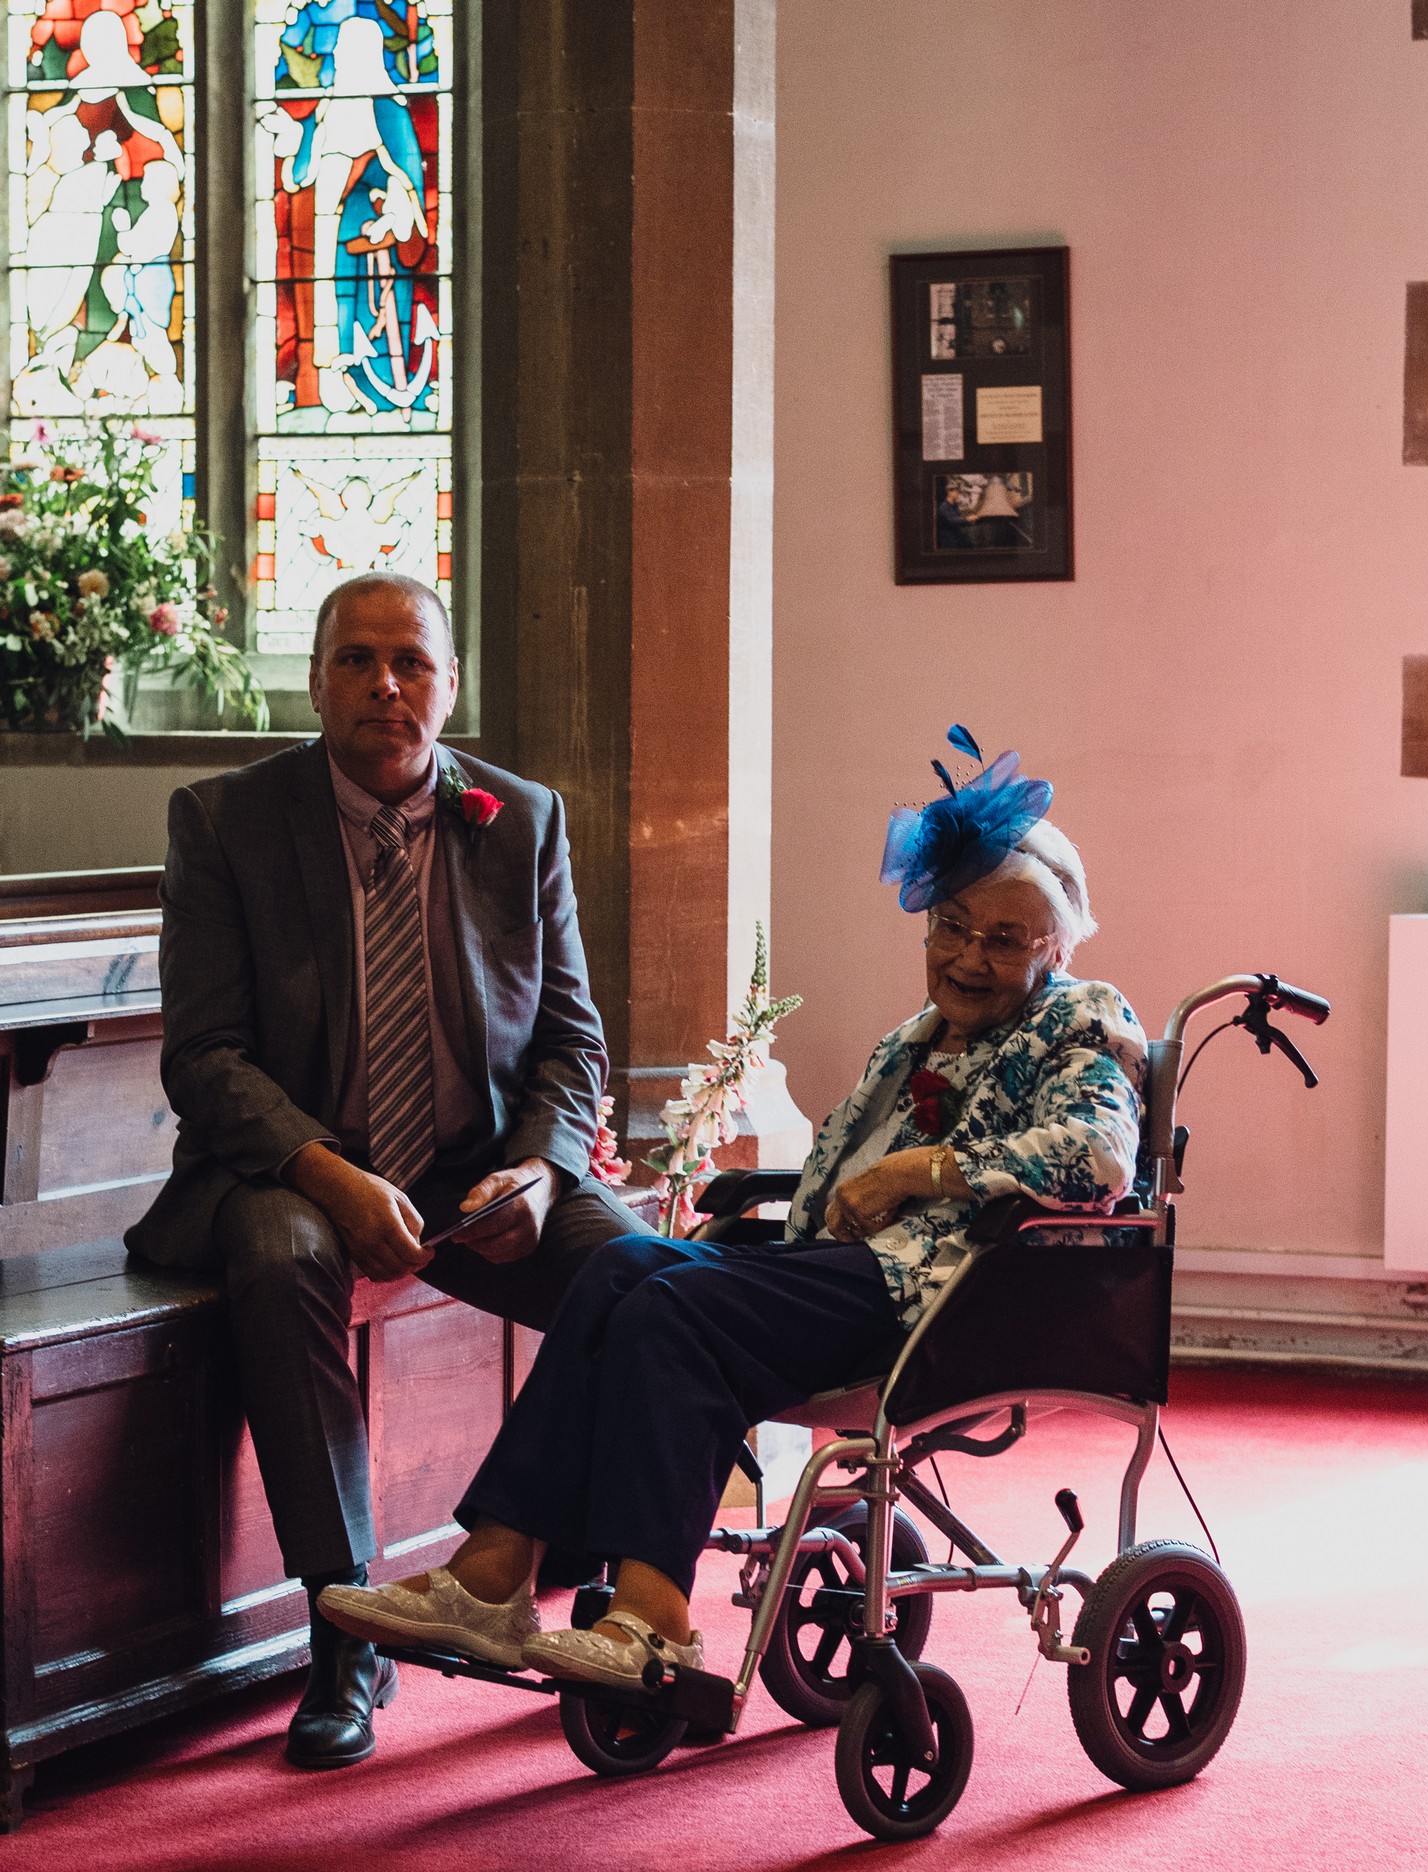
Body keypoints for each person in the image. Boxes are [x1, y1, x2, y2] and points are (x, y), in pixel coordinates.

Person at [321, 729, 1146, 1694]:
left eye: (1004, 940)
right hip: (842, 1273)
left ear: (1055, 949)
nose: (968, 956)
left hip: (945, 1293)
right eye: (952, 927)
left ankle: (656, 1619)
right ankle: (494, 1573)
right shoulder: (913, 1040)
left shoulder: (1083, 1018)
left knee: (673, 1306)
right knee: (620, 1269)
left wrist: (917, 1170)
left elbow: (1096, 1157)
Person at [126, 571, 635, 1766]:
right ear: (314, 682)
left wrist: (542, 1173)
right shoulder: (225, 821)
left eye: (410, 661)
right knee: (279, 1249)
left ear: (449, 686)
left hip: (476, 1167)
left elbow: (572, 1041)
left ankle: (597, 1579)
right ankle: (342, 1626)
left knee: (641, 1275)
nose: (384, 685)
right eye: (355, 660)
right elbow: (203, 1057)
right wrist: (326, 1172)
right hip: (290, 1166)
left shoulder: (525, 819)